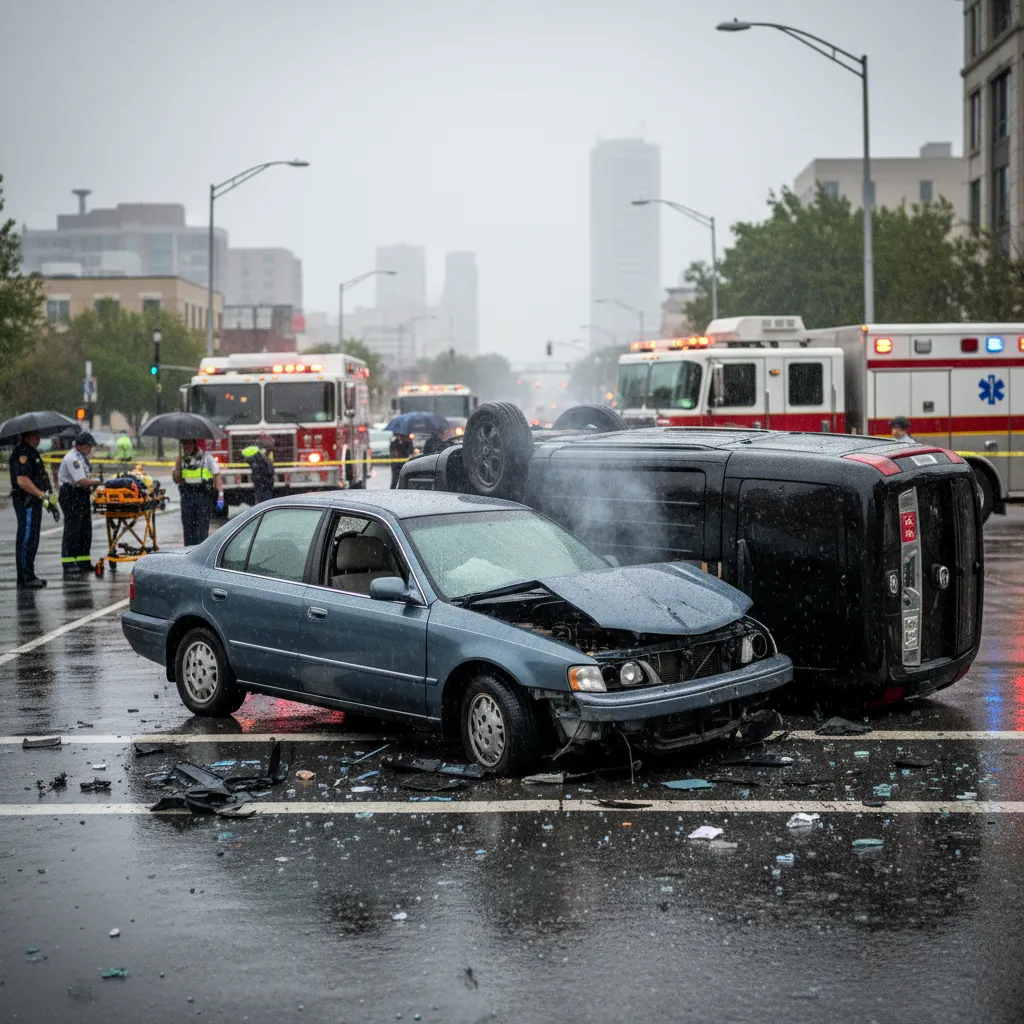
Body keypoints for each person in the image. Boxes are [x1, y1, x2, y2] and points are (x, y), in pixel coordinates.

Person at [9, 430, 58, 588]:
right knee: (26, 539)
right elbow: (22, 480)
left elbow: (40, 477)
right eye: (35, 435)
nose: (38, 438)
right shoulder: (21, 454)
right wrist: (41, 494)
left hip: (35, 501)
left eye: (39, 435)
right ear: (26, 436)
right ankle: (24, 577)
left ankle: (30, 573)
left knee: (33, 539)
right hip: (26, 502)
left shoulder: (32, 452)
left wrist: (48, 499)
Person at [57, 431, 102, 577]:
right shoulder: (73, 459)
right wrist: (98, 482)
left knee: (84, 529)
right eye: (90, 446)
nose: (91, 449)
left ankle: (83, 561)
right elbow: (80, 480)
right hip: (71, 494)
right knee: (72, 529)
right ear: (82, 446)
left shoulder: (81, 457)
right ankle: (68, 562)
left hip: (81, 495)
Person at [172, 438, 223, 546]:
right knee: (188, 532)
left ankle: (200, 557)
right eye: (184, 444)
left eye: (189, 444)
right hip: (187, 499)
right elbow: (176, 480)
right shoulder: (181, 460)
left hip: (203, 499)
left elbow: (217, 475)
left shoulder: (207, 458)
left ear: (194, 444)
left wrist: (220, 496)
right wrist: (177, 465)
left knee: (201, 532)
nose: (186, 447)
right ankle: (189, 556)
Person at [241, 438, 275, 504]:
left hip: (261, 484)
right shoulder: (261, 459)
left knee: (261, 499)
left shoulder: (255, 459)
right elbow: (268, 473)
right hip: (264, 485)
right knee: (264, 500)